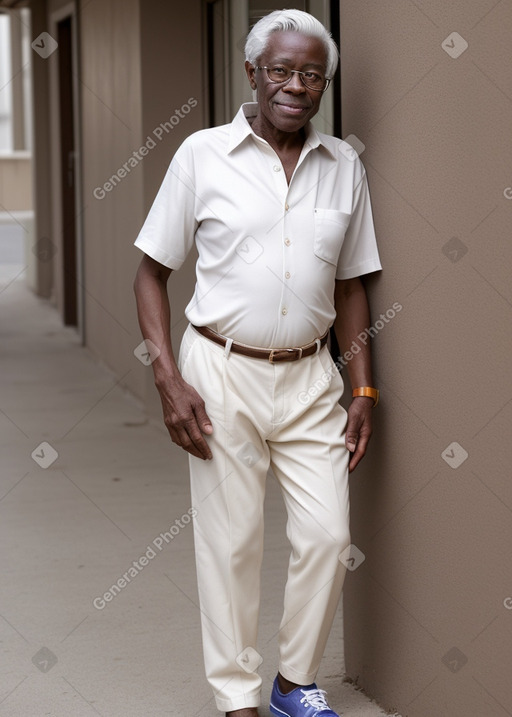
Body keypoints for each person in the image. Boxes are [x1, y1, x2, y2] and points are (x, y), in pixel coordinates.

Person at [133, 9, 381, 717]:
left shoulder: (344, 166)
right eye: (281, 70)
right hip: (219, 371)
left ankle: (292, 681)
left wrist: (361, 384)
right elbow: (150, 272)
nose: (296, 86)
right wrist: (167, 379)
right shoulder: (201, 155)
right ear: (252, 72)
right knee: (231, 544)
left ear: (324, 83)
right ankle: (238, 696)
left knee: (329, 536)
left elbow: (352, 282)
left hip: (311, 378)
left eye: (312, 74)